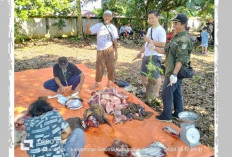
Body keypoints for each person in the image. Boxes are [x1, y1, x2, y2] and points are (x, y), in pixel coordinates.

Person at [153, 13, 193, 122]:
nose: (174, 25)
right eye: (173, 23)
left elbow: (181, 59)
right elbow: (165, 50)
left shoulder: (184, 39)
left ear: (183, 24)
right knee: (176, 92)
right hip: (172, 70)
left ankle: (166, 116)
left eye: (176, 23)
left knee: (166, 93)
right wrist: (154, 48)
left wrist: (174, 74)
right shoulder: (176, 36)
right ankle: (178, 113)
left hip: (174, 72)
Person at [135, 10, 166, 97]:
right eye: (149, 18)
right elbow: (146, 43)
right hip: (147, 54)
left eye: (152, 18)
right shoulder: (150, 29)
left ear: (157, 17)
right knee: (143, 73)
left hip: (156, 54)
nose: (151, 20)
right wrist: (140, 52)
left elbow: (163, 44)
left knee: (156, 74)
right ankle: (144, 88)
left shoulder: (161, 30)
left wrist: (150, 40)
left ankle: (156, 92)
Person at [85, 10, 119, 89]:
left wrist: (116, 52)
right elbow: (88, 32)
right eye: (105, 15)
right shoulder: (99, 25)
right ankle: (96, 83)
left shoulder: (113, 28)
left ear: (111, 18)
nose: (106, 17)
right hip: (100, 50)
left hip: (110, 49)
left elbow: (115, 40)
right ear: (103, 16)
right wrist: (87, 28)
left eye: (108, 16)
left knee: (111, 67)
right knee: (99, 67)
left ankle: (109, 83)